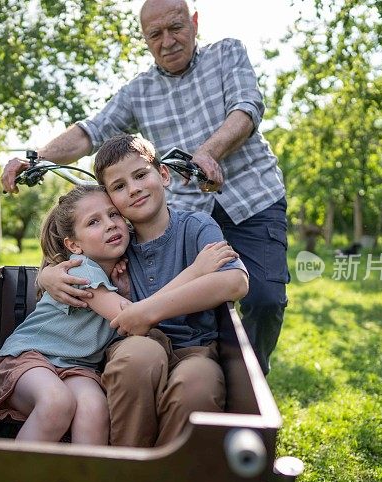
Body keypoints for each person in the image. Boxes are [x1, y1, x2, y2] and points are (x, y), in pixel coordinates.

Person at [0, 0, 289, 375]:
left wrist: (209, 152)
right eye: (155, 34)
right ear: (145, 39)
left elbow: (246, 108)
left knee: (265, 298)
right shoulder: (138, 91)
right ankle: (179, 366)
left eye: (176, 28)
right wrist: (37, 157)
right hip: (184, 214)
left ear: (195, 22)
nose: (168, 41)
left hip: (253, 200)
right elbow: (92, 131)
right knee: (172, 302)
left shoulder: (227, 52)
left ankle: (250, 382)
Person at [0, 183, 239, 444]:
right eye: (94, 222)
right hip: (30, 358)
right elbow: (133, 317)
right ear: (74, 245)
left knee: (95, 410)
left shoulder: (117, 272)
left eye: (113, 214)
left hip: (76, 369)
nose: (109, 224)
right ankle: (15, 481)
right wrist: (195, 271)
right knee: (57, 403)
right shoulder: (80, 272)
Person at [58, 134, 248, 447]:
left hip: (195, 349)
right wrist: (48, 276)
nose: (133, 189)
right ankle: (127, 470)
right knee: (137, 357)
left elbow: (235, 281)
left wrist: (146, 310)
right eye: (118, 187)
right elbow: (68, 257)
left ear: (162, 174)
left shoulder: (196, 226)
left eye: (140, 175)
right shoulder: (115, 241)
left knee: (197, 384)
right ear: (111, 200)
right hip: (136, 344)